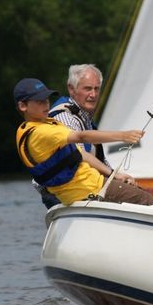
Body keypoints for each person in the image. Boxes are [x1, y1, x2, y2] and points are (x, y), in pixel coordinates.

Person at [14, 77, 153, 206]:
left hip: (87, 188)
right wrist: (123, 136)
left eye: (46, 99)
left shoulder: (41, 125)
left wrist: (113, 174)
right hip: (90, 190)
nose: (46, 104)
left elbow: (81, 154)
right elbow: (81, 137)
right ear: (22, 106)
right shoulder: (40, 132)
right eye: (39, 101)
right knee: (147, 200)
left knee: (139, 195)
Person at [33, 64, 106, 208]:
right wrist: (113, 175)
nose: (93, 94)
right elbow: (80, 156)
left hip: (79, 186)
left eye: (97, 89)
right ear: (71, 89)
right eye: (88, 88)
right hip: (62, 191)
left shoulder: (85, 118)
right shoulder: (65, 118)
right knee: (139, 198)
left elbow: (97, 158)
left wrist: (118, 177)